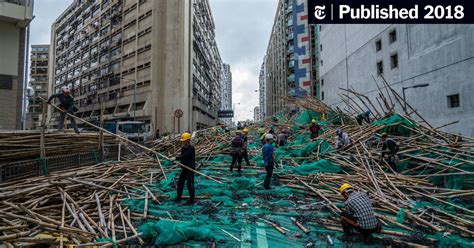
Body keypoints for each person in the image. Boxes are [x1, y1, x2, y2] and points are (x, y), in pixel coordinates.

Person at [174, 132, 196, 205]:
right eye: (182, 141)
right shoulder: (183, 148)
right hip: (184, 168)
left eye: (184, 141)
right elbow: (182, 158)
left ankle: (191, 200)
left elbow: (185, 156)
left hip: (190, 169)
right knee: (180, 183)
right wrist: (180, 163)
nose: (183, 142)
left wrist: (176, 158)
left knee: (190, 185)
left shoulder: (191, 149)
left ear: (188, 140)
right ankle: (178, 198)